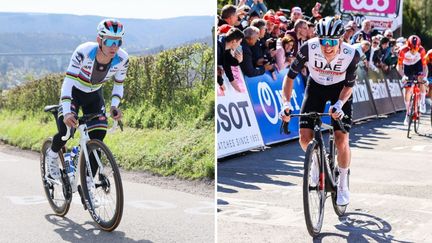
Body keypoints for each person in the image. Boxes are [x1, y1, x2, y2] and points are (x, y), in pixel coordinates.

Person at [45, 19, 128, 204]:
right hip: (74, 92)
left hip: (94, 94)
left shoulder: (122, 59)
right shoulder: (84, 51)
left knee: (98, 134)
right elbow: (67, 82)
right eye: (109, 41)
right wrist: (67, 111)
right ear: (100, 39)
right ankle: (52, 155)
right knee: (67, 132)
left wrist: (114, 105)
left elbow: (119, 84)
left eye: (118, 42)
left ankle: (88, 183)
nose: (114, 46)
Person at [280, 16, 360, 206]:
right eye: (324, 41)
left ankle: (342, 182)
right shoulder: (309, 47)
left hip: (340, 90)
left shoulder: (351, 54)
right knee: (304, 138)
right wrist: (286, 103)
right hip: (316, 87)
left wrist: (339, 105)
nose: (328, 46)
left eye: (333, 41)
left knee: (341, 139)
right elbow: (289, 78)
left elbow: (349, 87)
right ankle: (316, 161)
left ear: (341, 39)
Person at [397, 35, 429, 124]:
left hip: (417, 64)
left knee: (421, 79)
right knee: (407, 90)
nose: (414, 51)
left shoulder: (422, 50)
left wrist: (425, 77)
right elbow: (399, 66)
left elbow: (424, 66)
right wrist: (403, 76)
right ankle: (407, 113)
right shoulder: (402, 50)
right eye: (411, 49)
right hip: (407, 67)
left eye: (415, 49)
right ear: (408, 46)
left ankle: (422, 101)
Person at [217, 27, 245, 93]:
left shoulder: (225, 46)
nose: (239, 45)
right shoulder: (218, 47)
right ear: (234, 41)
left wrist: (238, 61)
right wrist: (220, 82)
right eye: (239, 42)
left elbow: (226, 63)